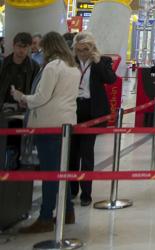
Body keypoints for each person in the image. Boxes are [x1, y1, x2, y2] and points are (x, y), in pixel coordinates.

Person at [12, 32, 81, 234]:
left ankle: (44, 218)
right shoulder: (72, 67)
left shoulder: (52, 67)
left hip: (49, 124)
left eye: (42, 48)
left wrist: (22, 97)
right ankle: (67, 212)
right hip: (66, 124)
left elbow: (42, 97)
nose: (40, 52)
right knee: (62, 171)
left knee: (50, 173)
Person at [66, 33, 118, 206]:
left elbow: (111, 80)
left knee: (87, 152)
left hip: (92, 109)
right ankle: (72, 190)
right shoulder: (70, 61)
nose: (82, 53)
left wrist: (96, 61)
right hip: (73, 109)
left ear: (92, 48)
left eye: (85, 50)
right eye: (79, 50)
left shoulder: (101, 61)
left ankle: (86, 193)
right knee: (72, 152)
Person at [0, 33, 42, 107]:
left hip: (25, 107)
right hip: (4, 106)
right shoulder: (3, 64)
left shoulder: (35, 67)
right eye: (19, 46)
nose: (22, 50)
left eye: (25, 47)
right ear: (14, 45)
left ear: (29, 47)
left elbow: (37, 91)